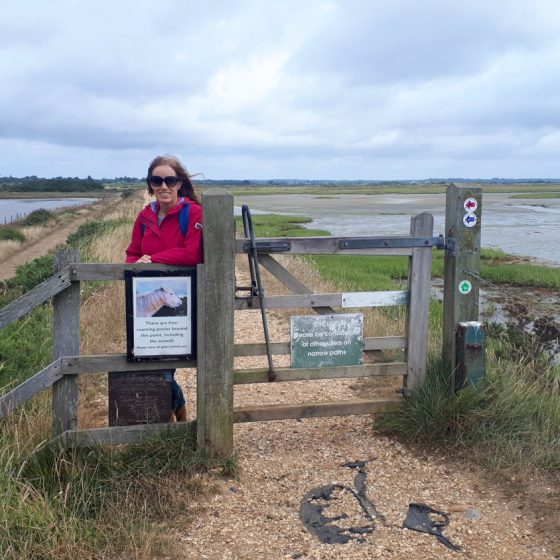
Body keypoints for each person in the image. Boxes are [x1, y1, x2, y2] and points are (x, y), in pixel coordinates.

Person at [125, 155, 203, 421]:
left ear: (179, 183)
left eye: (169, 180)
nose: (163, 185)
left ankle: (177, 423)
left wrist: (153, 260)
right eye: (157, 180)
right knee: (152, 367)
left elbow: (193, 253)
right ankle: (175, 423)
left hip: (182, 305)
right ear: (150, 184)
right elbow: (132, 254)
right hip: (148, 310)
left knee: (166, 369)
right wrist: (137, 263)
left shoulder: (193, 213)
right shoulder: (145, 216)